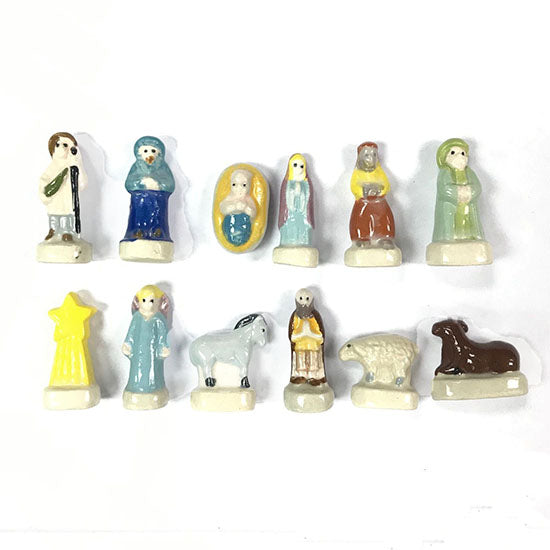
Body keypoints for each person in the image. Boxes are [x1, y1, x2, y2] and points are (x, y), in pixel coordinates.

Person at [121, 136, 175, 243]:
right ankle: (138, 230)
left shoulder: (163, 168)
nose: (150, 154)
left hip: (158, 198)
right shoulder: (136, 167)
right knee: (139, 213)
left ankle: (157, 231)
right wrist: (142, 183)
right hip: (139, 199)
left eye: (153, 151)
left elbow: (170, 185)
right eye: (145, 151)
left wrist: (158, 184)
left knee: (158, 214)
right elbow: (129, 184)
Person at [122, 285, 171, 399]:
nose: (149, 304)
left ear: (158, 302)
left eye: (152, 301)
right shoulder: (136, 318)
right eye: (144, 301)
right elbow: (131, 333)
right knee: (136, 371)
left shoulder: (158, 318)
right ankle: (135, 387)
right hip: (138, 353)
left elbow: (162, 335)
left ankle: (155, 387)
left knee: (153, 371)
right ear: (139, 302)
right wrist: (127, 344)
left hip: (152, 353)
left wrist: (163, 347)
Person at [432, 138, 484, 242]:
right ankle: (448, 237)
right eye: (453, 153)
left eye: (463, 153)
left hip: (468, 207)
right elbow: (444, 189)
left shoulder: (469, 172)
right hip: (450, 207)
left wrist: (469, 192)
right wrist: (459, 192)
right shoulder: (445, 172)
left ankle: (471, 236)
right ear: (445, 158)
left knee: (470, 222)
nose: (459, 156)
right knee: (449, 225)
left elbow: (477, 187)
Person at [39, 132, 87, 242]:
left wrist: (78, 164)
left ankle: (67, 231)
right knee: (54, 215)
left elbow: (82, 183)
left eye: (65, 145)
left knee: (66, 215)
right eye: (58, 145)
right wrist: (45, 191)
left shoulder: (72, 167)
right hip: (55, 200)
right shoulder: (51, 168)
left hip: (67, 199)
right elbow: (44, 180)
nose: (61, 148)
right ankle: (53, 230)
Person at [349, 141, 396, 249]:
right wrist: (364, 191)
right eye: (367, 155)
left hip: (379, 202)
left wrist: (379, 190)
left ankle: (384, 238)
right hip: (363, 202)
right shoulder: (358, 174)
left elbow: (386, 185)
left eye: (374, 155)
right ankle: (362, 238)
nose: (371, 158)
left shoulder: (379, 172)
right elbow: (354, 187)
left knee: (384, 218)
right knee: (361, 219)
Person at [288, 288, 326, 386]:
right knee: (301, 364)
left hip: (313, 346)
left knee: (313, 364)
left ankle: (314, 377)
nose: (304, 302)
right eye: (301, 299)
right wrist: (301, 334)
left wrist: (310, 333)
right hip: (300, 347)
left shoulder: (315, 316)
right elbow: (292, 336)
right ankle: (301, 376)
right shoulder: (295, 317)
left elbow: (321, 336)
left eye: (307, 299)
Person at [277, 153, 315, 247]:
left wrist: (301, 193)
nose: (299, 168)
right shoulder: (287, 183)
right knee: (289, 227)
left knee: (302, 228)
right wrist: (293, 192)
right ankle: (287, 241)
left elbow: (308, 197)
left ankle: (303, 242)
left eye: (301, 166)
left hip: (302, 212)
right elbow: (284, 198)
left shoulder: (306, 183)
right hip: (290, 213)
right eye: (295, 165)